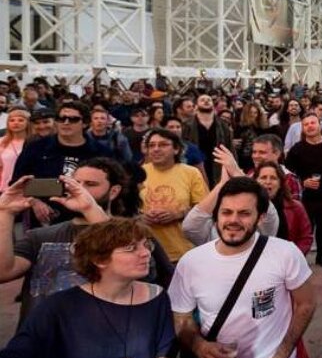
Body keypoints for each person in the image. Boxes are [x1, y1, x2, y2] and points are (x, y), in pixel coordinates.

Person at [170, 177, 316, 358]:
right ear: (216, 215)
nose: (233, 220)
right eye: (226, 212)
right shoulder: (190, 262)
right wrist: (199, 346)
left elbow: (306, 303)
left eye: (244, 213)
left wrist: (281, 355)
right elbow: (182, 317)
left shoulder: (285, 253)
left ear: (261, 217)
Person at [0, 160, 173, 320]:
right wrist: (5, 212)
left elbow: (146, 273)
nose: (79, 190)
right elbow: (4, 272)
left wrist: (90, 208)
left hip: (107, 339)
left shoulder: (137, 234)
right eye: (75, 183)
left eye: (90, 184)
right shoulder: (39, 236)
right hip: (43, 342)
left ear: (114, 191)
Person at [0, 218, 175, 358]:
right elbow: (17, 357)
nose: (146, 253)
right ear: (99, 260)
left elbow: (164, 356)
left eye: (146, 245)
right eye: (130, 248)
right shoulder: (58, 306)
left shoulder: (157, 296)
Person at [12, 100, 111, 226]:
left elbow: (113, 185)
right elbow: (17, 182)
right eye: (61, 118)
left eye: (73, 119)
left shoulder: (101, 151)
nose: (66, 123)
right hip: (44, 221)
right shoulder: (36, 148)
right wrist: (34, 201)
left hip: (87, 220)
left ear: (85, 123)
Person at [285, 112, 322, 279]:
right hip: (306, 201)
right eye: (306, 124)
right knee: (302, 236)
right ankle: (295, 274)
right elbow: (288, 173)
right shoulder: (297, 150)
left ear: (320, 125)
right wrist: (303, 182)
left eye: (313, 123)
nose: (310, 126)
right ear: (303, 129)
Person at [138, 127, 210, 263]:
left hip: (183, 252)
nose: (156, 149)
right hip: (146, 253)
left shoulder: (191, 173)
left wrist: (179, 214)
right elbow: (124, 211)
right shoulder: (138, 173)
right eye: (151, 145)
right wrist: (141, 217)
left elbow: (204, 209)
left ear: (176, 149)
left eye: (163, 145)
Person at [253, 162, 313, 255]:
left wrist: (294, 256)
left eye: (273, 178)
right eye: (263, 177)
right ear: (255, 181)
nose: (268, 181)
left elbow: (305, 237)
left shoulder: (296, 207)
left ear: (280, 183)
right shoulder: (248, 208)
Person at [181, 94, 235, 186]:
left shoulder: (223, 126)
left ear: (213, 105)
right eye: (202, 100)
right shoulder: (186, 126)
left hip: (217, 167)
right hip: (195, 165)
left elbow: (230, 147)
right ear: (196, 105)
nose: (206, 101)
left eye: (208, 100)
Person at [0, 105, 29, 192]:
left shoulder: (33, 142)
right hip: (4, 188)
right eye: (12, 120)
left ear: (28, 122)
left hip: (26, 188)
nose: (16, 123)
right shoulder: (1, 141)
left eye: (20, 120)